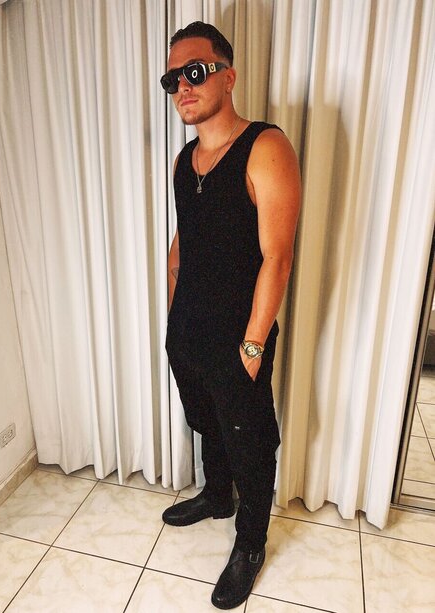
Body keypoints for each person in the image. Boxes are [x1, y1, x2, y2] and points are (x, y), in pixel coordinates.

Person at [160, 21, 301, 610]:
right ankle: (217, 496)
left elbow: (277, 257)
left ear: (228, 75)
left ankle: (250, 543)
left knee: (250, 440)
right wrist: (173, 315)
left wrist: (253, 345)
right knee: (206, 421)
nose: (183, 87)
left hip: (238, 338)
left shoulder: (265, 147)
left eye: (195, 72)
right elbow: (185, 243)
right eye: (172, 78)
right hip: (188, 331)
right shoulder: (184, 160)